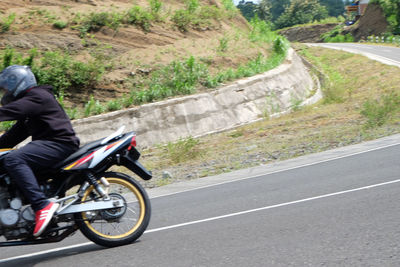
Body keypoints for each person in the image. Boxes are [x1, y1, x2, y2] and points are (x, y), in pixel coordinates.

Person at [0, 65, 80, 237]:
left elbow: (9, 111)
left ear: (17, 83)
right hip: (49, 145)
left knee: (14, 160)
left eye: (6, 88)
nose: (4, 93)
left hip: (60, 144)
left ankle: (42, 206)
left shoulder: (37, 97)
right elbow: (14, 136)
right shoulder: (30, 106)